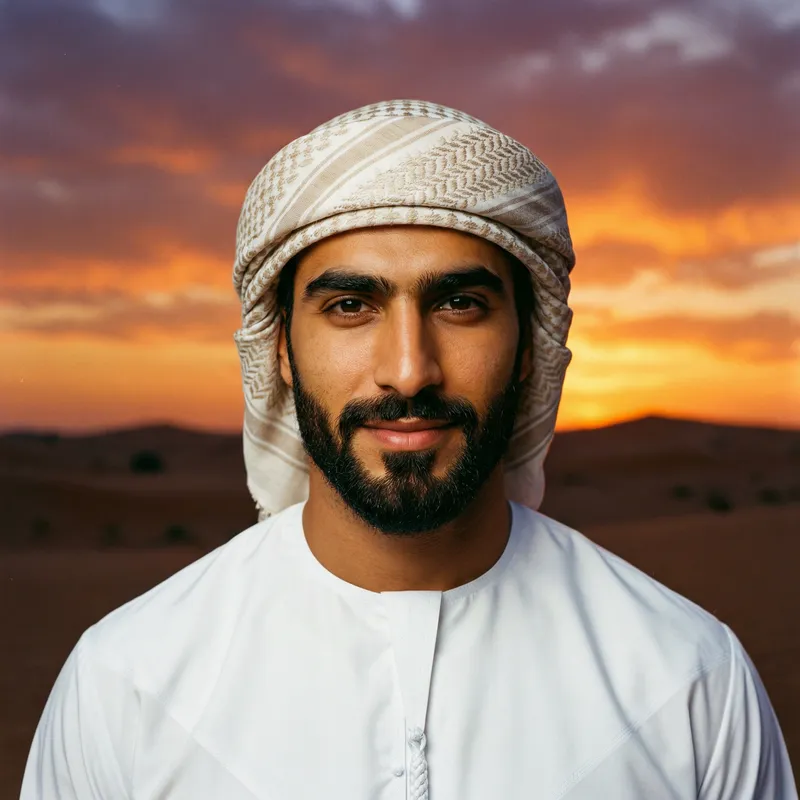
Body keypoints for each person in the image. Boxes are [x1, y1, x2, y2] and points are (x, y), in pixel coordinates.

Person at [21, 100, 797, 799]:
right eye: (350, 306)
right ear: (282, 349)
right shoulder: (129, 681)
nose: (408, 369)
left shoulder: (688, 677)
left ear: (531, 345)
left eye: (460, 304)